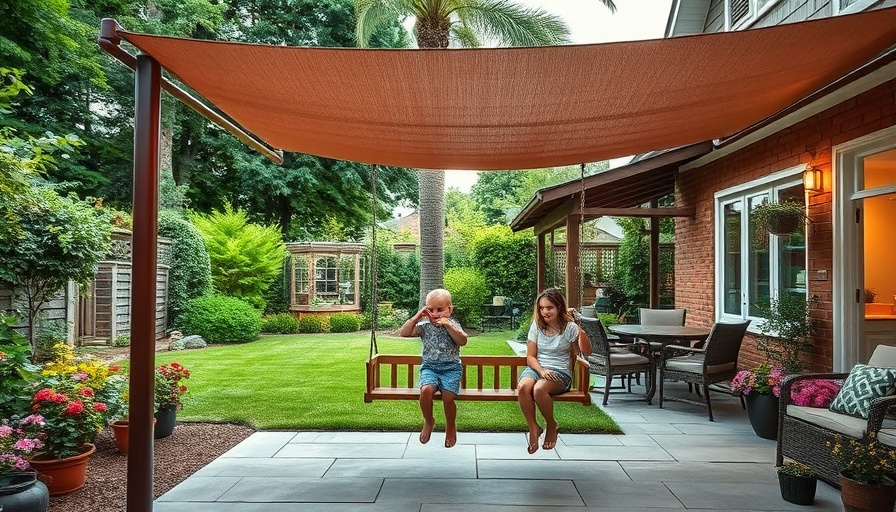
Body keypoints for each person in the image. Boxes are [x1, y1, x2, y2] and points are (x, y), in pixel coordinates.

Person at [517, 288, 590, 454]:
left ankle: (551, 425)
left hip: (560, 372)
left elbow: (587, 351)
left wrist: (578, 328)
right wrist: (541, 370)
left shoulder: (569, 328)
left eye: (549, 307)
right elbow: (530, 357)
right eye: (541, 308)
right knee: (523, 387)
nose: (544, 312)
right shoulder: (537, 326)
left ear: (559, 307)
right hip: (537, 368)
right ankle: (533, 427)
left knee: (539, 389)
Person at [399, 288, 468, 448]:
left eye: (440, 310)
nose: (435, 314)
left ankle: (451, 426)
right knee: (425, 391)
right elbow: (404, 333)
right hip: (430, 367)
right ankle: (429, 421)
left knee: (448, 397)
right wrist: (418, 316)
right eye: (430, 310)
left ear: (449, 309)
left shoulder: (454, 324)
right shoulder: (424, 326)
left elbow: (463, 341)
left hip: (451, 368)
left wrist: (448, 325)